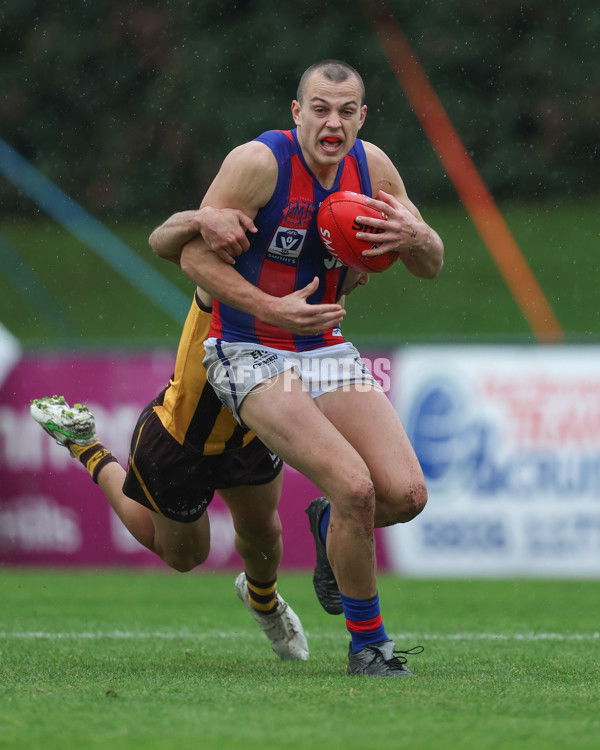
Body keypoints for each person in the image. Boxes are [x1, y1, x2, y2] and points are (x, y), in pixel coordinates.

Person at [166, 59, 444, 677]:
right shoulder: (259, 163)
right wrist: (271, 308)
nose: (333, 122)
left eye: (346, 111)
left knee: (405, 494)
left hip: (323, 347)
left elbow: (431, 263)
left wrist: (418, 238)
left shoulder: (373, 167)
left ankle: (326, 525)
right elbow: (190, 256)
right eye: (320, 108)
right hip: (245, 347)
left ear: (362, 117)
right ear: (297, 112)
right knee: (356, 486)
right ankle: (369, 646)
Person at [30, 207, 314, 662]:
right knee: (185, 557)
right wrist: (203, 218)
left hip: (248, 432)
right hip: (180, 439)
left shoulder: (308, 277)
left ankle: (264, 602)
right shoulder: (223, 270)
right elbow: (164, 239)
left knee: (263, 531)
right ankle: (87, 447)